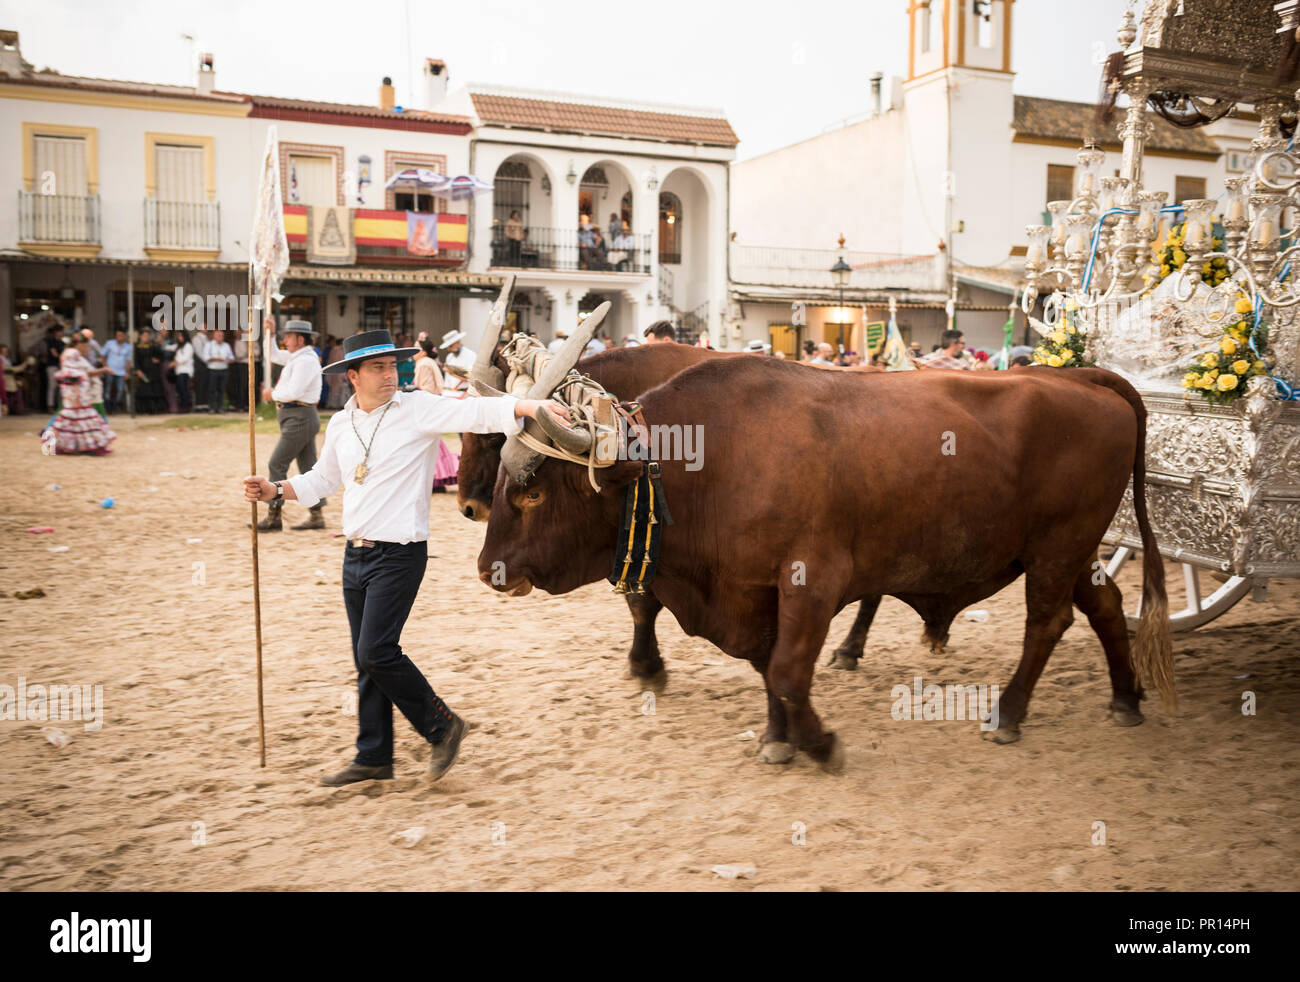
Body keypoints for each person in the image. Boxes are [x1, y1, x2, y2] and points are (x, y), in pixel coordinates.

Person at [240, 328, 575, 786]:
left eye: (393, 364)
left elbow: (476, 411)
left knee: (377, 651)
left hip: (400, 554)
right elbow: (321, 480)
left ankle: (443, 726)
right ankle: (374, 755)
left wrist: (530, 406)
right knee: (366, 660)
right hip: (353, 554)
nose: (390, 373)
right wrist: (276, 489)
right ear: (352, 376)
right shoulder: (341, 423)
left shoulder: (416, 408)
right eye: (378, 367)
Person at [256, 317, 327, 532]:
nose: (285, 339)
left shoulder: (306, 360)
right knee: (308, 468)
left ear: (300, 339)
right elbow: (273, 355)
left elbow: (294, 391)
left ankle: (273, 516)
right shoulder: (298, 357)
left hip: (300, 416)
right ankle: (316, 515)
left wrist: (271, 394)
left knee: (276, 463)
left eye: (288, 335)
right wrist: (269, 334)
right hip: (297, 416)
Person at [42, 334, 114, 455]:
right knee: (80, 418)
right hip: (76, 394)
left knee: (74, 419)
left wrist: (101, 371)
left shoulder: (70, 353)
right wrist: (93, 374)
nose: (87, 350)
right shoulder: (72, 353)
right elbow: (73, 373)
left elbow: (83, 372)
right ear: (79, 344)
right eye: (86, 346)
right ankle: (91, 446)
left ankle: (70, 446)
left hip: (76, 393)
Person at [413, 338, 459, 493]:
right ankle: (437, 479)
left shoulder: (423, 363)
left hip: (426, 405)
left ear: (424, 352)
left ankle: (435, 479)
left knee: (427, 442)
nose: (414, 350)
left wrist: (412, 391)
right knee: (434, 442)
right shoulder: (428, 362)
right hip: (433, 403)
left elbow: (426, 388)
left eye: (416, 347)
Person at [133, 328, 165, 414]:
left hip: (153, 370)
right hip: (142, 370)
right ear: (140, 336)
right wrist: (138, 370)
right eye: (144, 336)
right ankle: (144, 409)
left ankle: (154, 409)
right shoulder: (136, 346)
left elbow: (161, 354)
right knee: (144, 390)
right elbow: (135, 359)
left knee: (154, 390)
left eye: (147, 336)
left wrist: (157, 359)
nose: (146, 337)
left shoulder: (153, 345)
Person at [204, 330, 234, 412]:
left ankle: (220, 407)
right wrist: (217, 359)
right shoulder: (209, 345)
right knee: (212, 389)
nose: (221, 337)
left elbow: (231, 357)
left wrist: (228, 360)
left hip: (224, 370)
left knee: (222, 389)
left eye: (222, 336)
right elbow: (206, 357)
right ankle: (212, 408)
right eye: (219, 335)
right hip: (212, 370)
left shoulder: (226, 345)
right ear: (214, 336)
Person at [101, 328, 131, 413]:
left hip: (121, 372)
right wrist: (105, 366)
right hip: (110, 370)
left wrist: (127, 372)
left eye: (121, 335)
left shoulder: (128, 347)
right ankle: (107, 406)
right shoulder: (109, 343)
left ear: (125, 336)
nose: (119, 337)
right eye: (117, 335)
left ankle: (115, 406)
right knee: (108, 389)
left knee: (120, 390)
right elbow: (102, 355)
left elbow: (128, 361)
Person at [173, 331, 195, 412]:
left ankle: (185, 407)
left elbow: (185, 358)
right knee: (180, 389)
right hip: (179, 371)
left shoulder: (188, 346)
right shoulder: (179, 346)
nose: (180, 338)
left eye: (181, 336)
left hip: (185, 371)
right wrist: (163, 346)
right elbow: (170, 347)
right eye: (179, 336)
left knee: (184, 389)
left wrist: (175, 362)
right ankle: (182, 406)